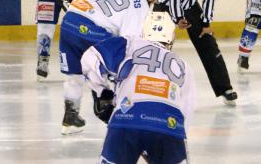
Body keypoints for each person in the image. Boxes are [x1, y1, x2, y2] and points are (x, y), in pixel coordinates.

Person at [80, 11, 195, 163]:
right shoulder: (184, 66)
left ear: (144, 30)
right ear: (171, 36)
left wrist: (103, 92)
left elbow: (90, 59)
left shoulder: (129, 43)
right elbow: (187, 108)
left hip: (126, 119)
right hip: (168, 125)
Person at [59, 0, 165, 135]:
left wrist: (79, 3)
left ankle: (71, 117)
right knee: (113, 65)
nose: (156, 0)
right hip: (93, 31)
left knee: (74, 75)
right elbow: (128, 43)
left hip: (69, 21)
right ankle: (107, 108)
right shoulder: (142, 9)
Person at [154, 0, 238, 106]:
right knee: (158, 47)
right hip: (166, 6)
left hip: (191, 6)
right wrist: (178, 18)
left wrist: (206, 23)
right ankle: (153, 88)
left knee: (208, 43)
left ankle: (224, 88)